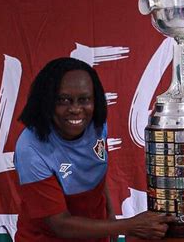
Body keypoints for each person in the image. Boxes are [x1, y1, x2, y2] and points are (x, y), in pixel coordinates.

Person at [14, 57, 173, 241]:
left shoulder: (96, 123)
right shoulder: (30, 148)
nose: (75, 109)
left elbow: (95, 171)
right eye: (64, 100)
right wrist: (128, 226)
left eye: (84, 99)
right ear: (47, 101)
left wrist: (111, 217)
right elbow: (61, 225)